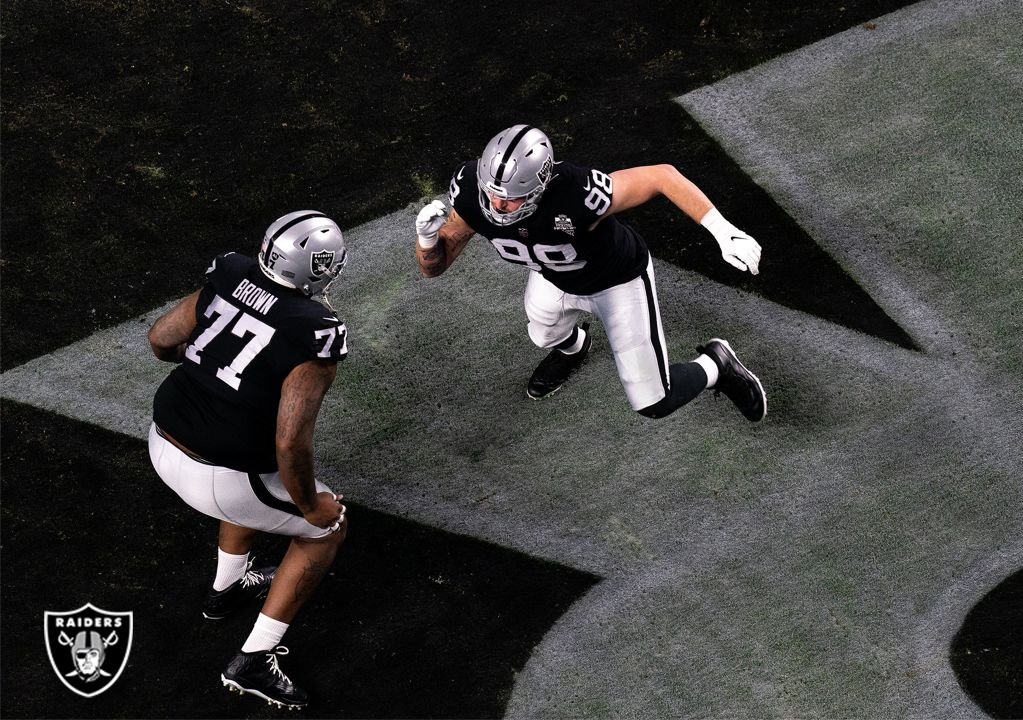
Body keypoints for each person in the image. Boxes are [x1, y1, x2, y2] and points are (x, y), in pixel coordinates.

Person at [414, 124, 767, 421]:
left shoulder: (577, 192)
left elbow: (661, 176)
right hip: (553, 276)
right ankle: (575, 348)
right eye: (491, 193)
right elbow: (434, 267)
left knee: (653, 402)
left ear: (540, 187)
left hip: (616, 281)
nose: (498, 205)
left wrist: (723, 230)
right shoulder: (472, 191)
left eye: (511, 199)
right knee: (543, 333)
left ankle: (716, 365)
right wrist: (428, 239)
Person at [147, 210, 351, 710]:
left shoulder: (233, 270)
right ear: (320, 268)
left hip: (161, 439)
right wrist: (312, 507)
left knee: (254, 490)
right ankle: (254, 659)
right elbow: (290, 445)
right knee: (327, 530)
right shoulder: (316, 328)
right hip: (222, 474)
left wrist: (210, 376)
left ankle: (228, 588)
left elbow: (160, 339)